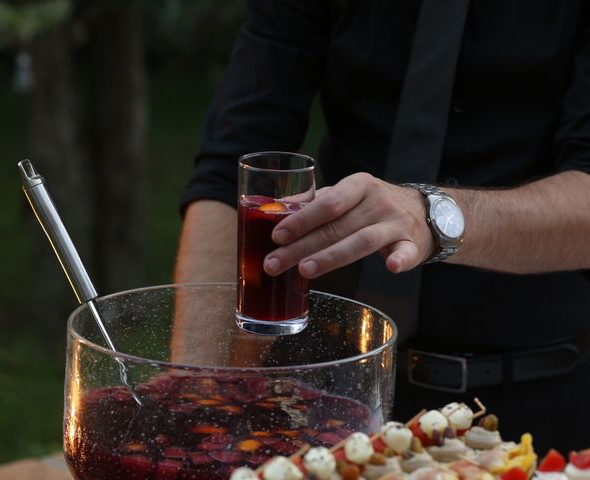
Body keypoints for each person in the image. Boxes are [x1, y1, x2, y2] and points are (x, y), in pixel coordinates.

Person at [174, 0, 590, 452]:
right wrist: (200, 396)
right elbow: (231, 171)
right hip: (326, 390)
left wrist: (432, 216)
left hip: (545, 401)